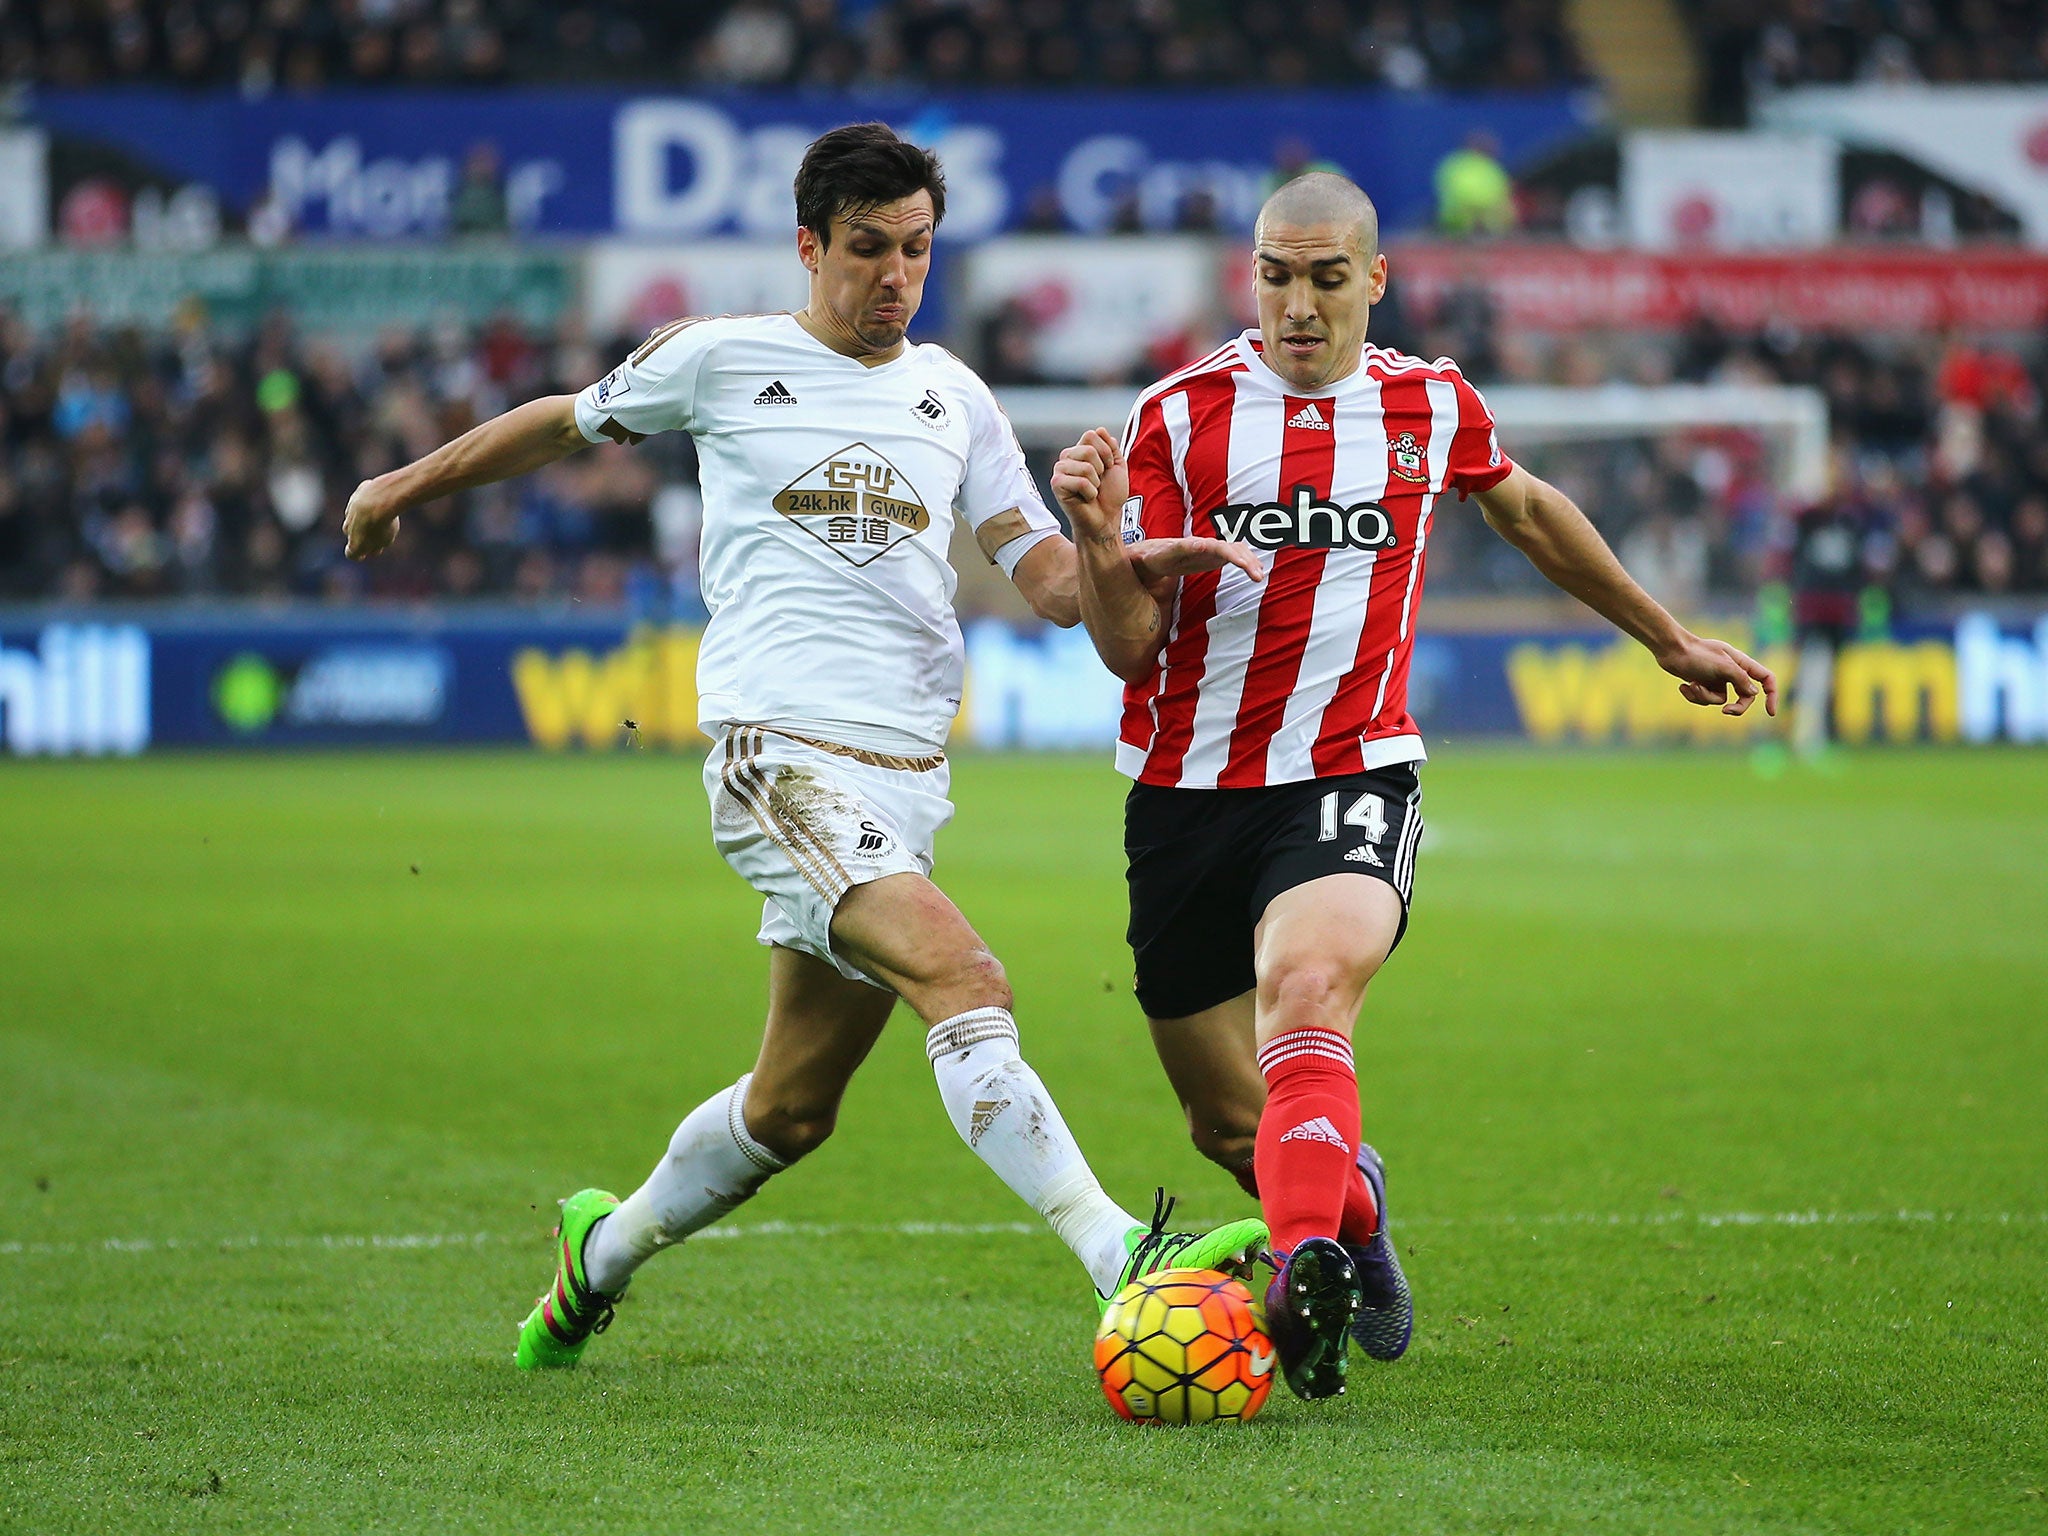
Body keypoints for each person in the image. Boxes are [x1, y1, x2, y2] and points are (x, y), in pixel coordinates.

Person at [341, 123, 1269, 1371]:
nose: (896, 276)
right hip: (776, 758)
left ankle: (593, 1258)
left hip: (903, 779)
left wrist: (1108, 550)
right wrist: (401, 485)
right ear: (809, 246)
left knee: (789, 1112)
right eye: (869, 249)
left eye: (918, 251)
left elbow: (1040, 576)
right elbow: (564, 424)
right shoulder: (720, 360)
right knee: (968, 981)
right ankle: (1122, 1258)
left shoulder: (954, 394)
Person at [1050, 172, 1777, 1402]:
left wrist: (1666, 637)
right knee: (1229, 1130)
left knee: (1308, 984)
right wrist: (1094, 535)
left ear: (1372, 280)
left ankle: (1303, 1273)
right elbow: (1125, 644)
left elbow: (1532, 514)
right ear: (1252, 277)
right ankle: (1353, 1205)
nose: (1296, 303)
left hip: (1350, 767)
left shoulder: (1427, 403)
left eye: (1325, 277)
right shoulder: (1176, 418)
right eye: (1275, 275)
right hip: (1181, 790)